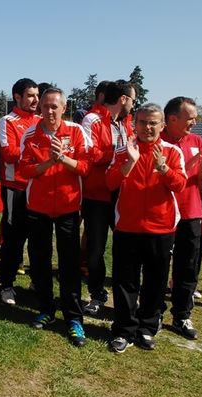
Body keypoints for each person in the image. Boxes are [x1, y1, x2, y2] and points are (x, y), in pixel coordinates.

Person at [107, 103, 186, 353]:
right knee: (125, 282)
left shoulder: (172, 152)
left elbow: (180, 185)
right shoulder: (124, 150)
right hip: (128, 228)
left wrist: (163, 169)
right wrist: (130, 162)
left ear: (162, 125)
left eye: (153, 123)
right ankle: (124, 330)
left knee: (155, 282)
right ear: (135, 125)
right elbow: (110, 182)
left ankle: (147, 328)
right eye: (142, 122)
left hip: (161, 229)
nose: (147, 127)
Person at [19, 88, 90, 347]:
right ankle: (46, 309)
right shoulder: (31, 134)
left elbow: (85, 167)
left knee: (69, 264)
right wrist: (49, 162)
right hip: (38, 208)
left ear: (64, 107)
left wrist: (64, 159)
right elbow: (25, 170)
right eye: (45, 106)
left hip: (69, 208)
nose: (49, 111)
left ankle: (73, 318)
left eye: (54, 106)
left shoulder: (76, 131)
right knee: (39, 261)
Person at [80, 81, 135, 315]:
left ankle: (126, 298)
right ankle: (97, 294)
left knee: (126, 250)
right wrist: (121, 153)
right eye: (132, 100)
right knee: (95, 250)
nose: (133, 106)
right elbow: (89, 153)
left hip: (122, 194)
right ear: (123, 99)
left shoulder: (125, 123)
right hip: (97, 195)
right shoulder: (92, 119)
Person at [161, 96, 202, 340]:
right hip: (164, 213)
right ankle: (155, 312)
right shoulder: (158, 140)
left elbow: (201, 182)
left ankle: (181, 315)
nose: (194, 122)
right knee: (158, 266)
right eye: (190, 118)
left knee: (187, 267)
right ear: (172, 119)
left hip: (191, 212)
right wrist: (186, 165)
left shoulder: (197, 140)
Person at [0, 78, 40, 305]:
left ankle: (37, 280)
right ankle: (6, 284)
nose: (35, 100)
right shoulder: (7, 121)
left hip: (38, 188)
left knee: (38, 238)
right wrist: (36, 152)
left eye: (36, 95)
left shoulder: (41, 121)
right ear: (17, 97)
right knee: (13, 238)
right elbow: (8, 153)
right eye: (30, 95)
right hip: (16, 188)